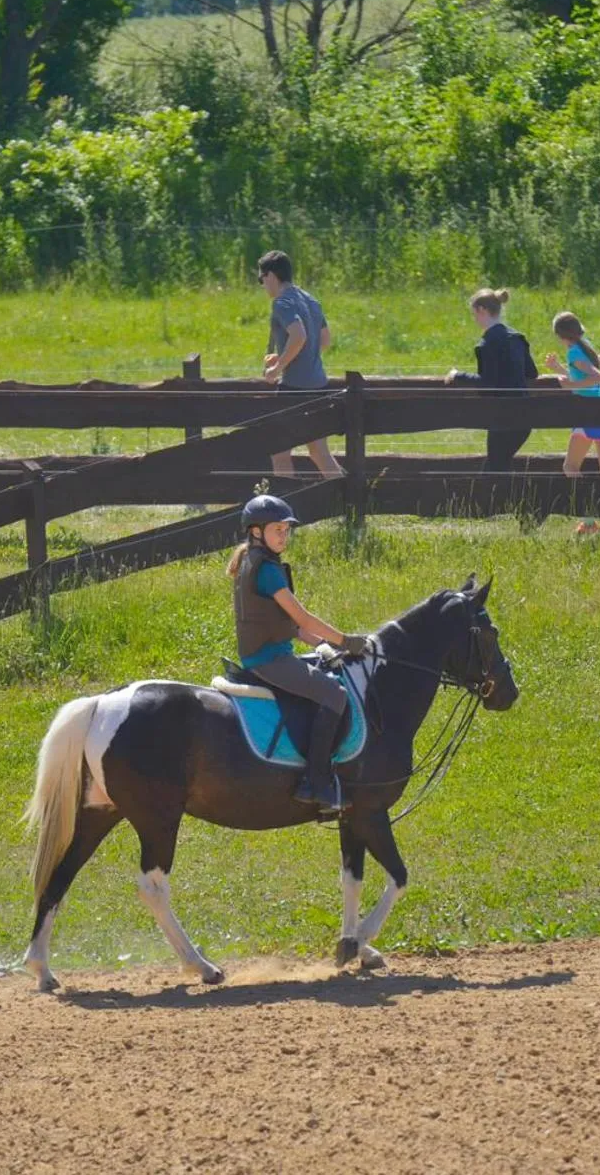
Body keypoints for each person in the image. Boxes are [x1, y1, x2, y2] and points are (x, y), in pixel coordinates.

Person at [228, 494, 371, 812]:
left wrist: (323, 644)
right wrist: (346, 641)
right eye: (277, 529)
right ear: (256, 531)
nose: (284, 535)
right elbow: (302, 617)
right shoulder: (266, 570)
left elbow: (289, 626)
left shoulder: (255, 561)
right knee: (334, 694)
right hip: (268, 659)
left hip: (269, 651)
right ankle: (315, 782)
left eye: (286, 529)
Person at [258, 251, 343, 479]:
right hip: (319, 384)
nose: (262, 285)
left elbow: (299, 336)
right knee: (319, 452)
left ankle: (285, 506)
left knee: (280, 453)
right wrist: (285, 356)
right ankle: (349, 502)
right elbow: (323, 340)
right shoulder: (310, 299)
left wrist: (277, 368)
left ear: (272, 276)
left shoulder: (282, 302)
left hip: (294, 388)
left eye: (261, 279)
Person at [446, 288, 538, 472]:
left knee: (495, 468)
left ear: (482, 310)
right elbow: (532, 373)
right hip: (524, 415)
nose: (475, 319)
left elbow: (487, 383)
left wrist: (458, 375)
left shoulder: (487, 344)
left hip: (502, 415)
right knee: (500, 465)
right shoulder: (517, 338)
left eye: (475, 314)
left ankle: (501, 500)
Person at [545, 311, 600, 535]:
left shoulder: (574, 351)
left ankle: (589, 521)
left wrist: (568, 386)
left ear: (560, 335)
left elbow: (597, 377)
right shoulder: (582, 347)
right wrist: (559, 369)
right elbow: (580, 376)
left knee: (570, 467)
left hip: (587, 412)